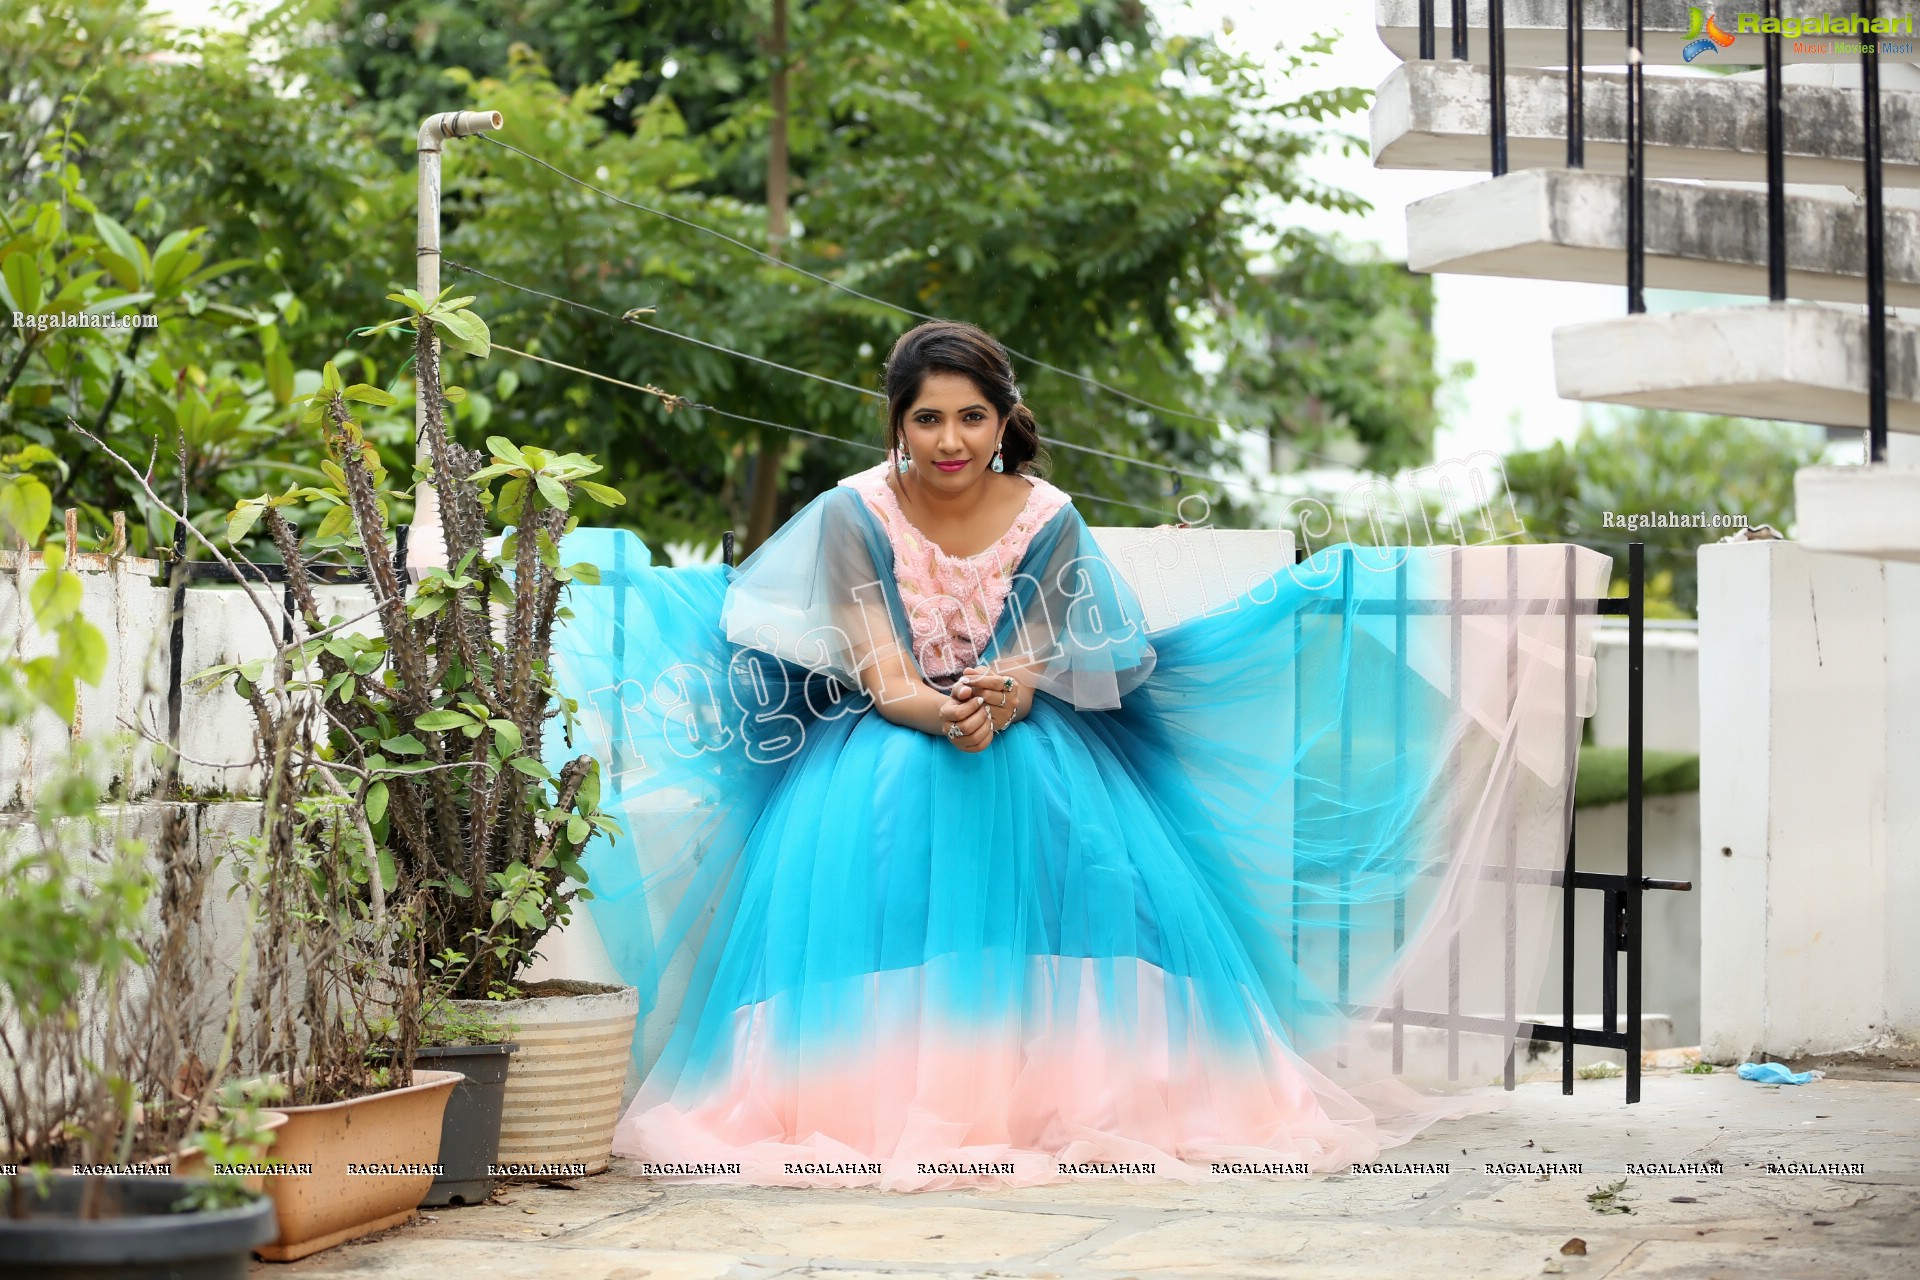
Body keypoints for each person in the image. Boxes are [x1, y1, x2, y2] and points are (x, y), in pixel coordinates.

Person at [551, 320, 1602, 1191]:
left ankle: (1041, 1092)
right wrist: (942, 709)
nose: (952, 437)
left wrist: (998, 701)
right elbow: (878, 669)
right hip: (885, 732)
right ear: (897, 423)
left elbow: (1033, 654)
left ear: (1006, 418)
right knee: (900, 827)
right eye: (929, 417)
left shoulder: (1049, 516)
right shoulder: (849, 515)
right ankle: (870, 1093)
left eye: (973, 414)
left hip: (1024, 730)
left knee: (1054, 857)